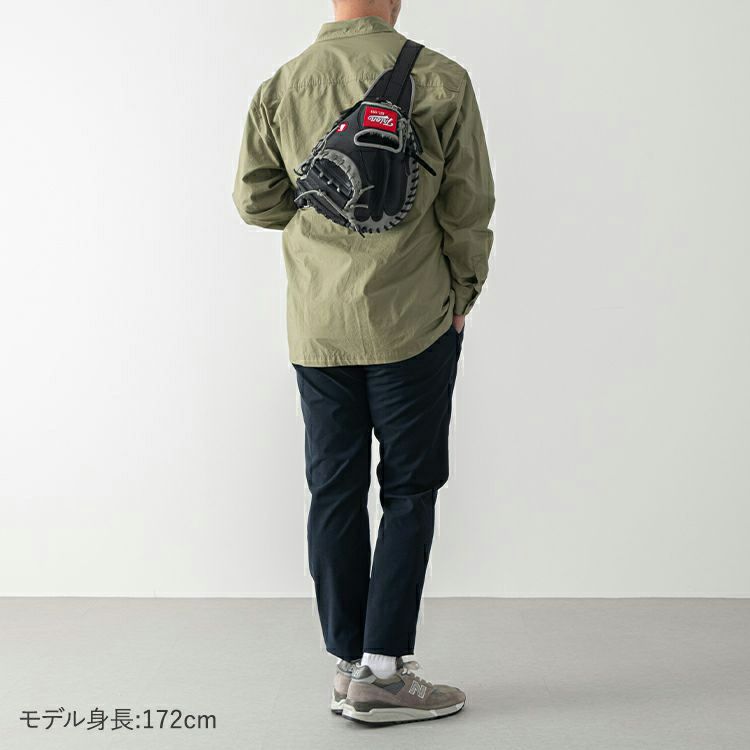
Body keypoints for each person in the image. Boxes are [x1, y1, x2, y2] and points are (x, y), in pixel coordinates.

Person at [232, 0, 494, 725]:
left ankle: (350, 666)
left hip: (318, 323)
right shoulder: (441, 78)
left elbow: (255, 201)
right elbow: (468, 205)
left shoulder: (283, 84)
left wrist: (323, 212)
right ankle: (384, 671)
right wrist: (463, 292)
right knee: (409, 488)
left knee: (334, 488)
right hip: (414, 318)